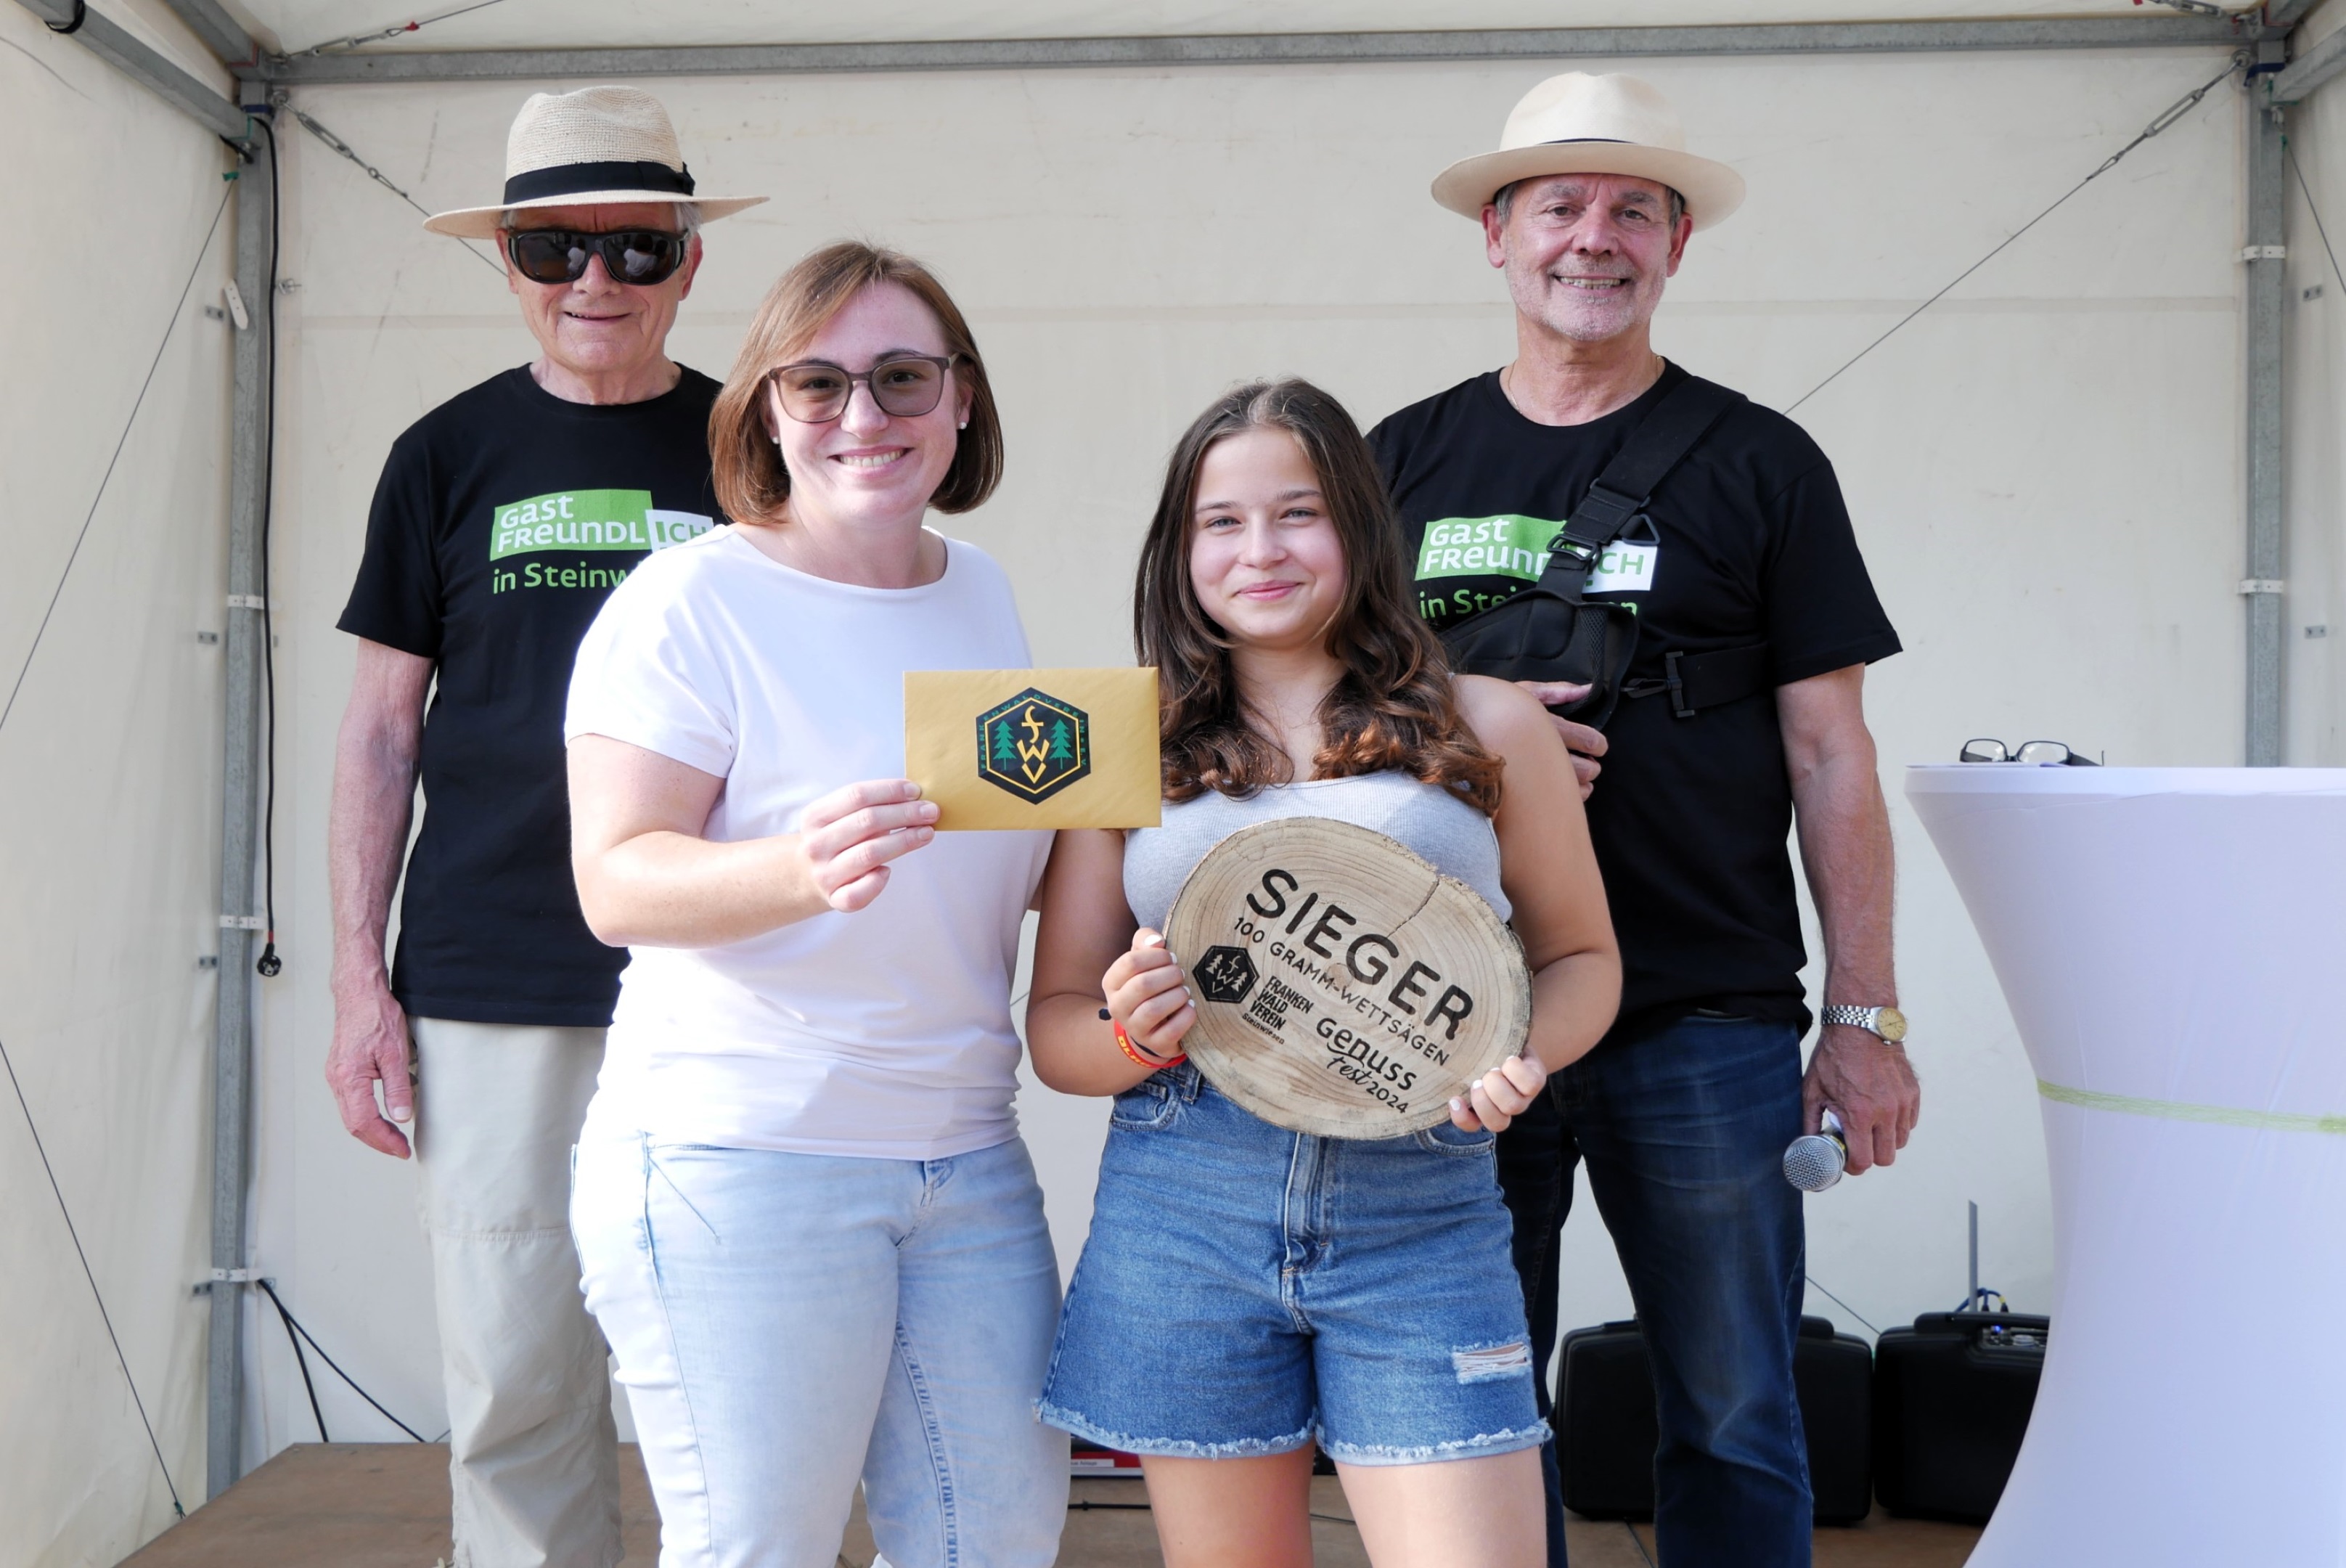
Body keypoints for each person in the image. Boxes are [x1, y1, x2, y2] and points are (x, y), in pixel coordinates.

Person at [1366, 73, 1918, 1566]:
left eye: (1631, 210)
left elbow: (1830, 754)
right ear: (1496, 233)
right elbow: (1308, 725)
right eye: (1557, 205)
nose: (1590, 238)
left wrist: (1859, 1014)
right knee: (1478, 1411)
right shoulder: (1392, 462)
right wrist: (1464, 739)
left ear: (1675, 244)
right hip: (1454, 1013)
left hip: (1708, 1015)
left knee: (1737, 1411)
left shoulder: (1759, 463)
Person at [1027, 379, 1622, 1568]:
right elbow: (1055, 1028)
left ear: (1358, 525)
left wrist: (1522, 1052)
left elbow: (1583, 958)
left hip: (1424, 1218)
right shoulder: (1117, 737)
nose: (1260, 550)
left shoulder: (1490, 722)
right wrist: (1133, 1034)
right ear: (1178, 548)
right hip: (1185, 1211)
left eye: (1297, 514)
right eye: (1221, 521)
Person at [562, 241, 1068, 1568]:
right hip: (743, 1156)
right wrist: (796, 868)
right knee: (760, 1550)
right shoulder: (689, 601)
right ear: (764, 409)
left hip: (966, 1156)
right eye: (820, 383)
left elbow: (992, 877)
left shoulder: (983, 593)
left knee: (994, 1543)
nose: (865, 418)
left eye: (903, 379)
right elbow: (615, 879)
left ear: (963, 400)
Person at [323, 86, 761, 1568]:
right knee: (515, 1369)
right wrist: (353, 983)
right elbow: (382, 734)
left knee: (748, 1347)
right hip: (493, 969)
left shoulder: (759, 453)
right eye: (552, 246)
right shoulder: (440, 457)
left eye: (634, 248)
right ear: (504, 259)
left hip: (726, 967)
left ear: (689, 259)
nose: (593, 282)